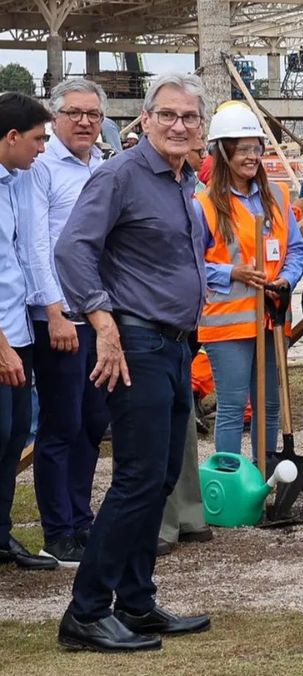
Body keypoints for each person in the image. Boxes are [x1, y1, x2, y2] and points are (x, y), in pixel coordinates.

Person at [54, 73, 212, 652]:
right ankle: (87, 611)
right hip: (136, 344)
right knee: (138, 478)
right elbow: (73, 249)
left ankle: (137, 603)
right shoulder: (120, 175)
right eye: (167, 115)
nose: (178, 125)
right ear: (145, 120)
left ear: (201, 126)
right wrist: (102, 324)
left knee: (161, 477)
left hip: (175, 345)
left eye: (188, 117)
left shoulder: (184, 180)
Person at [22, 79, 110, 568]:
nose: (84, 122)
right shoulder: (41, 169)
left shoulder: (102, 165)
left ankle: (81, 519)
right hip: (61, 317)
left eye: (93, 114)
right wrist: (53, 310)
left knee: (93, 422)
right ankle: (57, 532)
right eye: (74, 113)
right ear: (55, 117)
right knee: (61, 425)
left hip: (98, 314)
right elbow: (37, 243)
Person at [195, 102, 303, 464]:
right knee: (232, 405)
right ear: (223, 151)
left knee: (270, 404)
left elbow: (296, 250)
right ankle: (230, 480)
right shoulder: (204, 204)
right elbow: (190, 265)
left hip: (272, 317)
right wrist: (233, 272)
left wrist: (287, 279)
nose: (252, 156)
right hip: (228, 324)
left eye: (256, 148)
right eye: (242, 149)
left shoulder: (277, 196)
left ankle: (264, 475)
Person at [0, 92, 56, 572]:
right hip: (2, 338)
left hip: (18, 330)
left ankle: (1, 535)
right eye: (38, 139)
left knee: (14, 435)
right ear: (12, 136)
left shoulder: (17, 180)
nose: (42, 148)